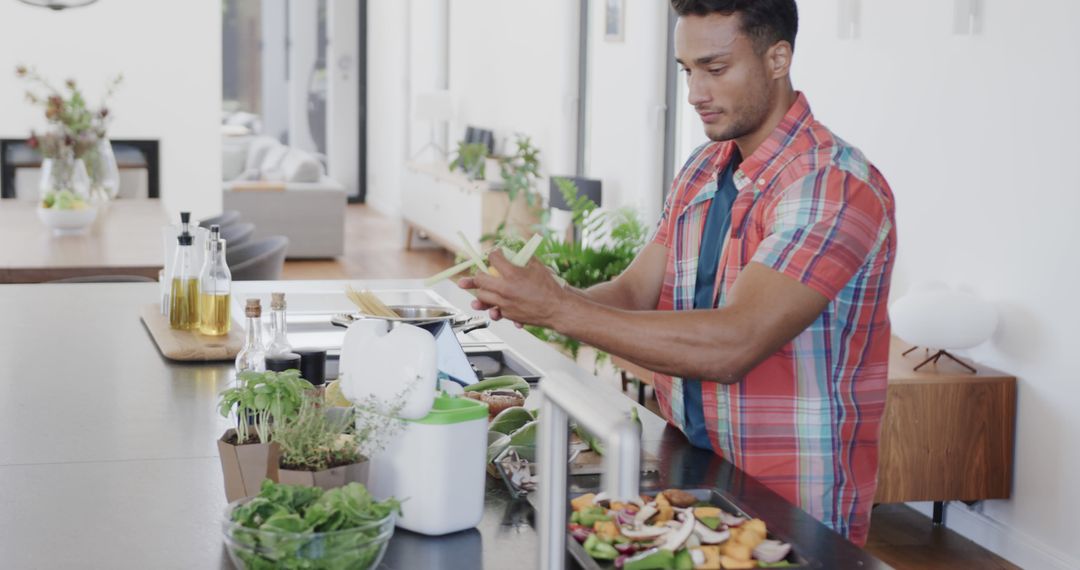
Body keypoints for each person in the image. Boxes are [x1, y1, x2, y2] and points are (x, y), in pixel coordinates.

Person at [460, 0, 896, 546]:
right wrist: (537, 296)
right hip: (694, 473)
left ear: (778, 58)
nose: (695, 93)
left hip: (794, 503)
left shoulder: (832, 185)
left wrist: (559, 308)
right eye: (686, 70)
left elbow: (733, 346)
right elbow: (634, 293)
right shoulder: (703, 170)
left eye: (715, 69)